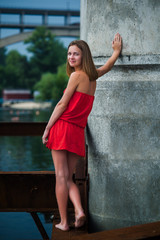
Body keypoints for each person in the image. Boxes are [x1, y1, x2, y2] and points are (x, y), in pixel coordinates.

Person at [42, 33, 122, 231]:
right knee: (68, 177)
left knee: (61, 176)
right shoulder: (93, 75)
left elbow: (62, 104)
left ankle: (63, 222)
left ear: (83, 56)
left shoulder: (77, 76)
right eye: (69, 54)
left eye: (75, 54)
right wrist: (116, 52)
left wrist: (47, 128)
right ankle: (79, 211)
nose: (71, 57)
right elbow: (108, 67)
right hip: (78, 131)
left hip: (63, 128)